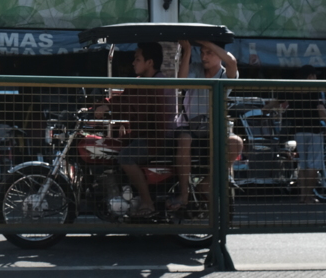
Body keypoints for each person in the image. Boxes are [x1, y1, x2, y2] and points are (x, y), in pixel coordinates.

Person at [93, 42, 168, 218]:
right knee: (114, 146)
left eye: (137, 59)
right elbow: (123, 98)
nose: (133, 63)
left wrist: (108, 109)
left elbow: (129, 104)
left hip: (156, 138)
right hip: (143, 135)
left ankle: (147, 203)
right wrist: (99, 107)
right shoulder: (142, 82)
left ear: (149, 62)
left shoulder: (156, 83)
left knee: (125, 157)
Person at [172, 39, 244, 209]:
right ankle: (183, 195)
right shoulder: (196, 69)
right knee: (184, 140)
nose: (204, 56)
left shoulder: (225, 74)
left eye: (209, 53)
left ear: (219, 54)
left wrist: (207, 42)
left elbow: (232, 61)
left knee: (236, 143)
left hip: (215, 128)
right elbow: (181, 82)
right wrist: (188, 49)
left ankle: (206, 182)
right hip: (191, 127)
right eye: (202, 52)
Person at [283, 65, 326, 203]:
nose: (316, 78)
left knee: (303, 165)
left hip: (298, 131)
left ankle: (302, 195)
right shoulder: (315, 90)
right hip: (314, 131)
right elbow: (320, 108)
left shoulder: (294, 90)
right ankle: (309, 196)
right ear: (310, 76)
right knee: (313, 165)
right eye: (314, 75)